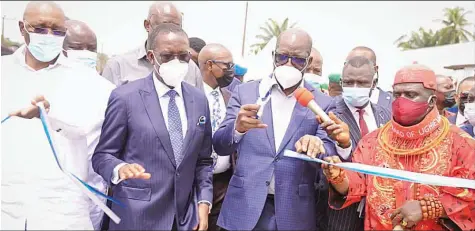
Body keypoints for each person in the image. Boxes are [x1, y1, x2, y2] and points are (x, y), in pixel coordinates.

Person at [212, 28, 351, 230]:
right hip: (244, 208)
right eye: (282, 57)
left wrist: (318, 145)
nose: (288, 64)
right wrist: (237, 128)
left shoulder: (322, 103)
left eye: (297, 60)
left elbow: (330, 152)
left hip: (294, 212)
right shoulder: (246, 92)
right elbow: (220, 145)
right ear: (273, 57)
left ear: (309, 63)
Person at [1, 1, 114, 229]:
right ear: (22, 28)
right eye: (41, 28)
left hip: (62, 211)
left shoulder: (91, 83)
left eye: (57, 31)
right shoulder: (4, 72)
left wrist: (49, 114)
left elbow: (85, 129)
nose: (49, 36)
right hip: (8, 208)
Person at [323, 64, 475, 231]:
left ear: (431, 101)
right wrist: (338, 177)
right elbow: (357, 184)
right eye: (397, 95)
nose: (401, 100)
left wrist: (428, 208)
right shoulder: (372, 141)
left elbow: (470, 196)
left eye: (411, 95)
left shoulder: (461, 144)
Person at [92, 23, 213, 231]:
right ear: (151, 57)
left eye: (183, 56)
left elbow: (203, 160)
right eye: (167, 56)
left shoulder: (198, 99)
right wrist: (120, 168)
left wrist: (204, 201)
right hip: (136, 216)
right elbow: (102, 156)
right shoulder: (125, 98)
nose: (176, 62)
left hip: (183, 218)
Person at [320, 56, 392, 231]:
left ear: (373, 83)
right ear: (342, 82)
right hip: (340, 216)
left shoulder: (386, 115)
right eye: (349, 82)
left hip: (379, 215)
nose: (355, 88)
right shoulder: (327, 112)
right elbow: (323, 153)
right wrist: (343, 147)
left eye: (362, 82)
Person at [101, 1, 203, 89]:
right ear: (147, 25)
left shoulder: (191, 69)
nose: (170, 33)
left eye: (176, 27)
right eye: (164, 26)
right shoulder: (118, 66)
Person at [198, 43, 238, 231]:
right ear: (209, 65)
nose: (232, 70)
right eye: (227, 65)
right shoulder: (188, 94)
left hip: (223, 182)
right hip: (194, 182)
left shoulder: (232, 98)